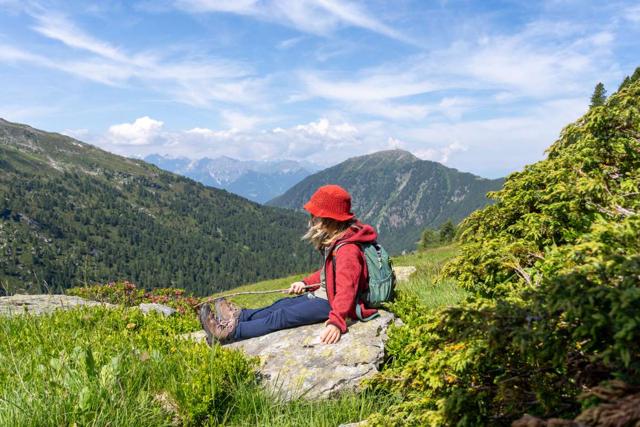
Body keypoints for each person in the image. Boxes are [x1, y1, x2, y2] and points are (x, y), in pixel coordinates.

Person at [198, 184, 379, 345]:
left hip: (331, 303)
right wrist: (305, 283)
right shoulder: (340, 240)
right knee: (280, 305)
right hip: (324, 296)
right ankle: (240, 317)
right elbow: (329, 272)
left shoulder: (347, 249)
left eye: (315, 216)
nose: (312, 220)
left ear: (330, 219)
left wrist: (337, 321)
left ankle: (229, 333)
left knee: (281, 316)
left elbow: (347, 288)